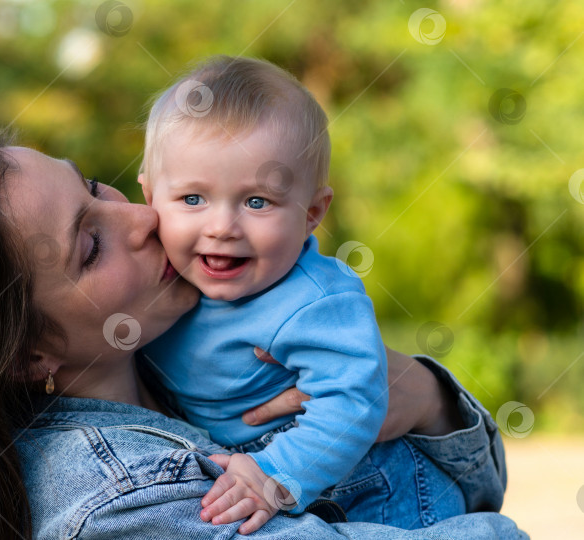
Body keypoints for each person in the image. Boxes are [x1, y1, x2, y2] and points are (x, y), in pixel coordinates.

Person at [0, 133, 524, 539]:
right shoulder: (121, 501)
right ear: (26, 356)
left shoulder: (196, 363)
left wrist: (424, 397)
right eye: (89, 247)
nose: (145, 221)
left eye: (95, 188)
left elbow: (450, 489)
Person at [138, 55, 463, 532]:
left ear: (312, 212)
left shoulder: (315, 299)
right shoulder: (152, 284)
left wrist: (273, 475)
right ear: (150, 199)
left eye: (256, 202)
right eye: (193, 199)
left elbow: (353, 398)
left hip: (370, 485)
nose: (222, 227)